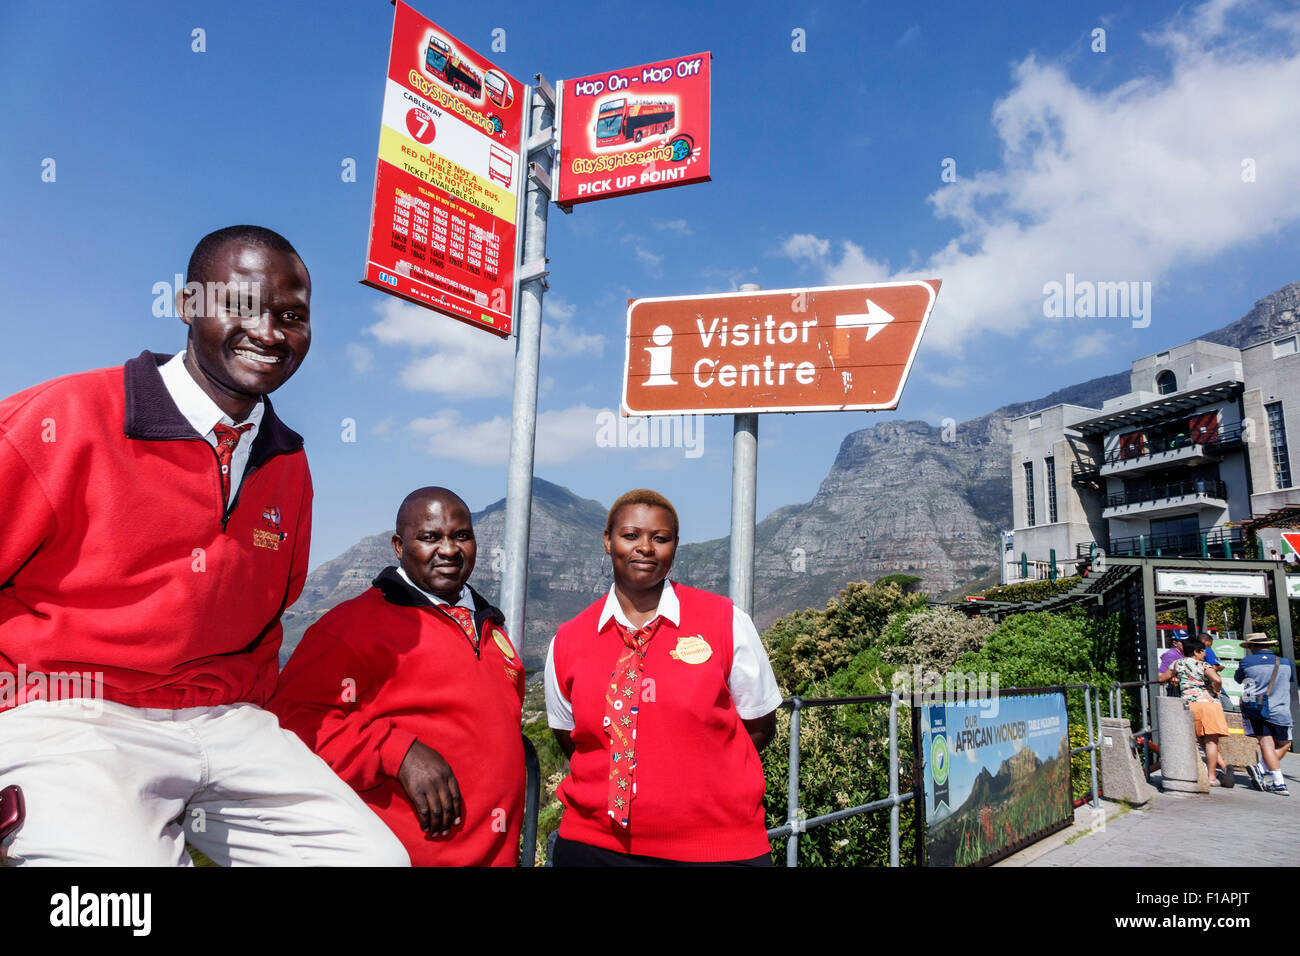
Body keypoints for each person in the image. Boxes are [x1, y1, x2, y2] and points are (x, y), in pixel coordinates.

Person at [0, 225, 407, 866]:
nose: (270, 333)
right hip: (72, 713)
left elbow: (265, 622)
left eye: (292, 315)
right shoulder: (65, 416)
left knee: (376, 862)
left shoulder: (288, 460)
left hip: (226, 721)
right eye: (242, 306)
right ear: (188, 305)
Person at [270, 487, 526, 866]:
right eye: (429, 537)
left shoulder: (492, 627)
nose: (449, 549)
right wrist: (398, 753)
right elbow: (293, 723)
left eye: (461, 535)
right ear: (398, 546)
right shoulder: (350, 627)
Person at [544, 488, 783, 866]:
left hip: (715, 849)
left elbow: (759, 726)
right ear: (608, 541)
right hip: (595, 848)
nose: (645, 548)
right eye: (630, 535)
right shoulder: (567, 641)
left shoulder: (726, 622)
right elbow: (573, 739)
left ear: (674, 546)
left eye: (660, 538)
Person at [1236, 633, 1295, 796]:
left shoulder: (1246, 662)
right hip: (1281, 710)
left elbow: (1239, 679)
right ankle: (1272, 777)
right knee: (1285, 744)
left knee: (1266, 744)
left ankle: (1269, 775)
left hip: (1256, 709)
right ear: (1268, 645)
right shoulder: (1285, 663)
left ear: (1252, 646)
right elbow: (1289, 681)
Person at [1172, 638, 1232, 788]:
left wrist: (1176, 679)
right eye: (1202, 651)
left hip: (1188, 704)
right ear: (1195, 652)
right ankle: (1211, 777)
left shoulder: (1178, 663)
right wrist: (1216, 688)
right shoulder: (1203, 665)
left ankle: (1222, 767)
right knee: (1211, 741)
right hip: (1208, 704)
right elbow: (1217, 679)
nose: (1205, 654)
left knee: (1199, 740)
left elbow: (1167, 677)